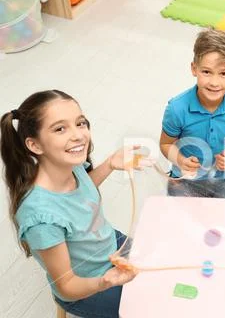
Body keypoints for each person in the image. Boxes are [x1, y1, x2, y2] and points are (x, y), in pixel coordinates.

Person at [0, 90, 145, 317]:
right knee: (151, 306)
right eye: (60, 128)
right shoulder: (40, 217)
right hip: (86, 288)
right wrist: (104, 282)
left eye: (80, 123)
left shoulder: (71, 166)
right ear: (35, 145)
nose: (78, 135)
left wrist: (110, 164)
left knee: (161, 264)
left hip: (107, 242)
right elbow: (66, 286)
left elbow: (83, 193)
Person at [160, 28, 225, 199]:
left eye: (223, 73)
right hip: (185, 178)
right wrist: (181, 161)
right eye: (206, 72)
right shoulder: (176, 108)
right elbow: (166, 144)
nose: (214, 82)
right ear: (194, 69)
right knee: (179, 218)